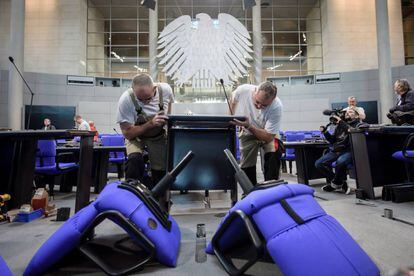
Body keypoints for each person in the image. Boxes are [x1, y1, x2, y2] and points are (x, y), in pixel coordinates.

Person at [116, 73, 173, 188]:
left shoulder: (166, 90)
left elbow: (169, 112)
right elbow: (127, 133)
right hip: (135, 136)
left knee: (160, 171)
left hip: (158, 137)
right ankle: (132, 195)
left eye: (148, 98)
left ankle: (159, 200)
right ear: (132, 90)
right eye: (139, 99)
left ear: (154, 88)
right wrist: (150, 124)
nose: (144, 102)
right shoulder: (126, 99)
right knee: (134, 161)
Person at [230, 81, 283, 185]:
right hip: (247, 131)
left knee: (275, 151)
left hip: (266, 132)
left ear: (272, 101)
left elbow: (268, 137)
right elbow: (232, 98)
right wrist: (230, 116)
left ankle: (271, 188)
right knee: (246, 162)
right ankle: (250, 191)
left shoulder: (277, 106)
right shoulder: (243, 90)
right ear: (255, 91)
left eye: (264, 105)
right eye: (257, 102)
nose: (259, 106)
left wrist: (249, 126)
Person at [316, 109, 359, 194]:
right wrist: (325, 132)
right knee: (319, 164)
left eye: (350, 112)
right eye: (346, 112)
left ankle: (335, 184)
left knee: (340, 161)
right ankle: (339, 182)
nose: (347, 113)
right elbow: (333, 140)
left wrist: (341, 122)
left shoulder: (358, 124)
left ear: (357, 116)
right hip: (336, 151)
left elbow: (351, 131)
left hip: (349, 151)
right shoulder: (339, 125)